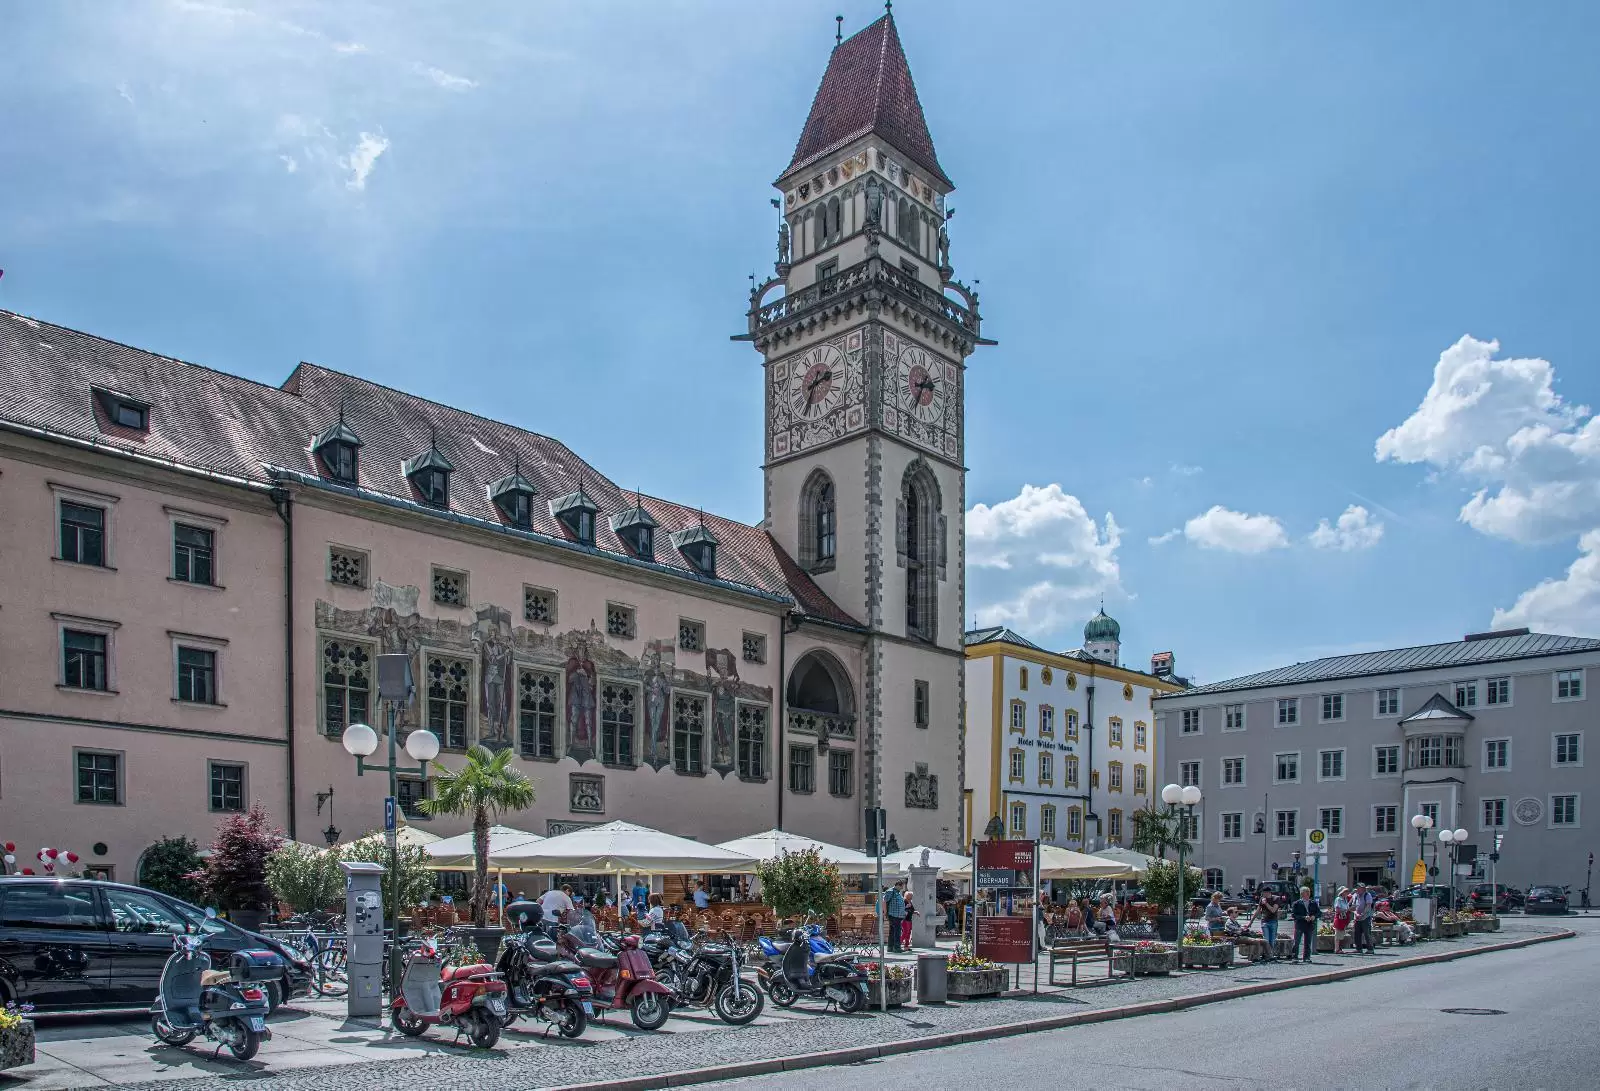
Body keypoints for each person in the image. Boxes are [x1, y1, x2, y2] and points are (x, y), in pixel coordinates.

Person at [1291, 885, 1321, 962]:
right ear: (1301, 894)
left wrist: (1314, 916)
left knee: (1307, 942)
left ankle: (1306, 957)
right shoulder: (1297, 903)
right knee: (1296, 942)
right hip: (1300, 925)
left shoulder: (1313, 903)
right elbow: (1294, 915)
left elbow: (1319, 913)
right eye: (1305, 893)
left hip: (1309, 925)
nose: (1307, 894)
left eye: (1308, 892)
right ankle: (1295, 957)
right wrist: (1304, 917)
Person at [1352, 884, 1376, 954]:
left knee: (1367, 933)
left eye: (1360, 888)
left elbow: (1368, 906)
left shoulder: (1367, 895)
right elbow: (1353, 906)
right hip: (1357, 917)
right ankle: (1358, 948)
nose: (1358, 889)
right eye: (1357, 888)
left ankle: (1370, 949)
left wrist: (1362, 914)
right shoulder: (1355, 896)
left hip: (1365, 917)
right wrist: (1356, 914)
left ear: (1363, 889)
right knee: (1357, 933)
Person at [1257, 890, 1281, 961]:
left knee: (1272, 940)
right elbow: (1258, 910)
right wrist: (1250, 923)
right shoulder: (1262, 899)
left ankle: (1270, 955)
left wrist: (1266, 903)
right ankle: (1267, 955)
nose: (1263, 894)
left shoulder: (1276, 898)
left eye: (1264, 893)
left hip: (1273, 921)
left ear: (1268, 893)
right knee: (1266, 939)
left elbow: (1273, 910)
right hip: (1264, 921)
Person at [885, 882, 907, 953]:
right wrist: (886, 913)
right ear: (897, 885)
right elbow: (885, 902)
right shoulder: (890, 891)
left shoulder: (897, 892)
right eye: (901, 886)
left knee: (893, 931)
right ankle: (896, 947)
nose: (902, 888)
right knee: (897, 932)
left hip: (897, 915)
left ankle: (890, 947)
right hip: (893, 915)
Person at [1331, 887, 1352, 955]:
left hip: (1343, 918)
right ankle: (1336, 949)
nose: (1347, 893)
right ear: (1342, 892)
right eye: (1345, 891)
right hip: (1339, 918)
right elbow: (1337, 909)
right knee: (1338, 933)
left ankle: (1339, 948)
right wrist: (1346, 910)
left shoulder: (1345, 899)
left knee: (1341, 933)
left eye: (1347, 891)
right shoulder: (1338, 899)